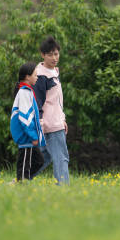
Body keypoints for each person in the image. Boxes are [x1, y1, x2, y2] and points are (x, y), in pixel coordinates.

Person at [34, 36, 70, 185]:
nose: (54, 58)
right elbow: (38, 102)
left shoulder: (54, 71)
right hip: (49, 124)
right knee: (61, 157)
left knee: (44, 157)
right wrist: (40, 125)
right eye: (50, 55)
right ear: (43, 55)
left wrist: (63, 119)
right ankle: (63, 188)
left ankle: (20, 179)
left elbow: (57, 101)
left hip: (55, 121)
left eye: (56, 54)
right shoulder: (41, 76)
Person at [10, 62, 45, 182]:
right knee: (24, 166)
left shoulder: (28, 91)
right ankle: (21, 184)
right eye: (35, 75)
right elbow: (25, 118)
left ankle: (19, 182)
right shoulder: (24, 92)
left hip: (29, 137)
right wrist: (33, 135)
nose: (37, 77)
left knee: (39, 161)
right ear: (27, 77)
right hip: (26, 137)